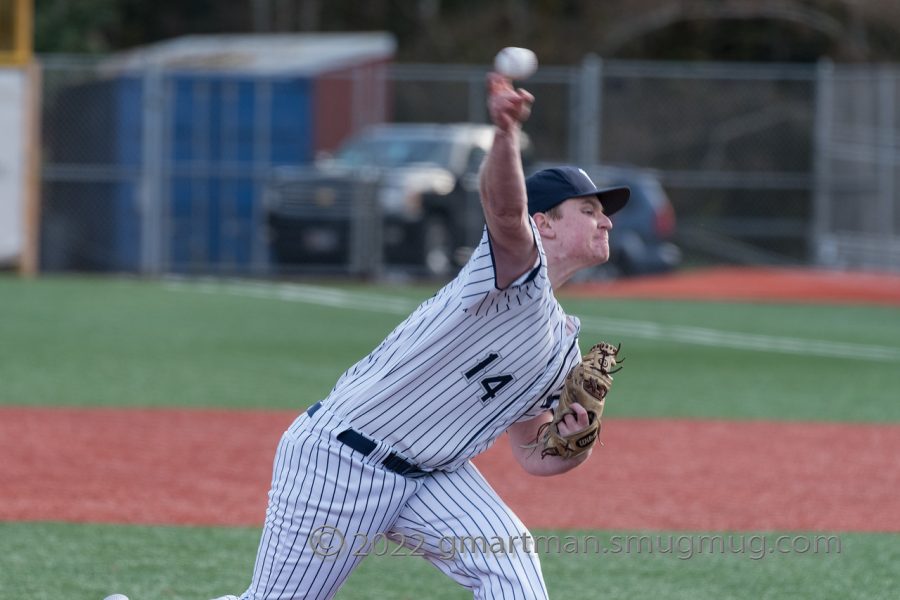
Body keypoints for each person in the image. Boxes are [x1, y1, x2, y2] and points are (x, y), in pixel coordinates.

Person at [215, 71, 630, 600]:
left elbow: (534, 455)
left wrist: (578, 437)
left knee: (512, 564)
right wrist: (504, 132)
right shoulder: (512, 275)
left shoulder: (562, 349)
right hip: (342, 458)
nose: (606, 223)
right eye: (589, 211)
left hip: (434, 477)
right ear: (543, 223)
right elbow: (504, 210)